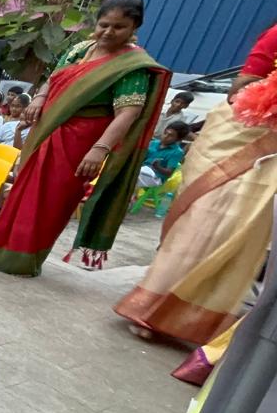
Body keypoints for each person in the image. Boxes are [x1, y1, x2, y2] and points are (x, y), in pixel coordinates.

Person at [0, 0, 170, 276]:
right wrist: (39, 98)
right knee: (23, 192)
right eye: (103, 24)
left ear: (134, 29)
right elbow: (53, 78)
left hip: (79, 144)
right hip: (46, 132)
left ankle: (23, 261)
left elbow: (127, 114)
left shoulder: (132, 67)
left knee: (51, 203)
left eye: (118, 27)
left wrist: (100, 148)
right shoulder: (81, 48)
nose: (108, 32)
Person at [115, 21, 277, 344]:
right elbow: (240, 89)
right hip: (241, 136)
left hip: (269, 161)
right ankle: (151, 309)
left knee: (241, 238)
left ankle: (198, 323)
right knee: (203, 224)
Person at [135, 122, 190, 188]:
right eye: (165, 133)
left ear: (178, 139)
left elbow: (169, 172)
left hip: (156, 177)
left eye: (171, 135)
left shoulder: (177, 152)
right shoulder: (153, 143)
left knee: (133, 176)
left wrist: (157, 166)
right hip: (142, 171)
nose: (165, 136)